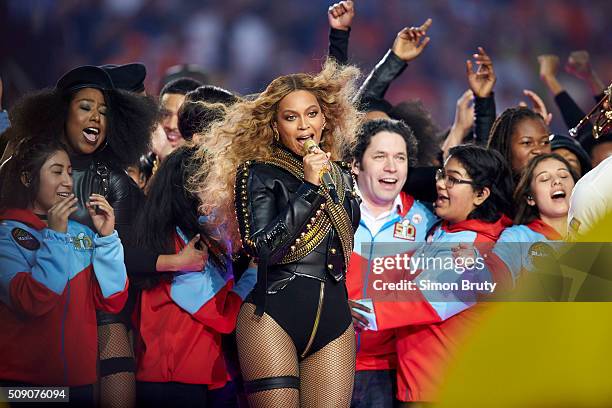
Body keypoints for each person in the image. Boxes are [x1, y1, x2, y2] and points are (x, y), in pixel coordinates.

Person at [191, 59, 362, 407]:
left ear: (324, 118)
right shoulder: (257, 174)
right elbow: (262, 247)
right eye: (291, 116)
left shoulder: (343, 175)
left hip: (333, 318)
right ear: (275, 125)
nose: (304, 125)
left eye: (312, 113)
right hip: (272, 315)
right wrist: (309, 189)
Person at [6, 65, 157, 407]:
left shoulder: (115, 182)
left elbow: (126, 271)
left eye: (105, 112)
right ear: (61, 112)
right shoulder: (18, 170)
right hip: (30, 319)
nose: (97, 118)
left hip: (101, 316)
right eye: (86, 107)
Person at [360, 145, 513, 403]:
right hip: (417, 382)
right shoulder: (443, 228)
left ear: (480, 194)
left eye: (452, 179)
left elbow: (423, 300)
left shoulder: (471, 247)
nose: (440, 184)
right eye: (442, 174)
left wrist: (357, 312)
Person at [0, 138, 128, 405]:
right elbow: (33, 300)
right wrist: (56, 236)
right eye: (56, 171)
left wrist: (106, 239)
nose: (68, 182)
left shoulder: (81, 233)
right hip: (24, 384)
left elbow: (112, 299)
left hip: (80, 383)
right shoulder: (6, 234)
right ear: (27, 177)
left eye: (70, 172)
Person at [133, 146, 256, 407]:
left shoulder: (192, 237)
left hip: (196, 378)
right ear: (189, 188)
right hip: (173, 382)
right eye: (210, 180)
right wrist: (252, 275)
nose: (219, 188)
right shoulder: (178, 245)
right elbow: (222, 316)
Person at [346, 119, 437, 407]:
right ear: (355, 165)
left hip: (385, 371)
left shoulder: (426, 224)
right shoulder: (328, 212)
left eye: (400, 158)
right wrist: (332, 308)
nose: (392, 167)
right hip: (324, 359)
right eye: (380, 156)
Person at [487, 154, 578, 289]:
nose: (557, 181)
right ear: (530, 198)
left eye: (563, 176)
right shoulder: (518, 238)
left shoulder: (596, 227)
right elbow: (491, 281)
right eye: (544, 179)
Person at [487, 106, 552, 180]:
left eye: (545, 142)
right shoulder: (486, 189)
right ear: (505, 146)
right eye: (527, 143)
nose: (538, 151)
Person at [153, 77, 203, 162]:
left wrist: (166, 158)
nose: (172, 125)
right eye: (166, 115)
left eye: (183, 116)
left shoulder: (213, 170)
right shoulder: (141, 166)